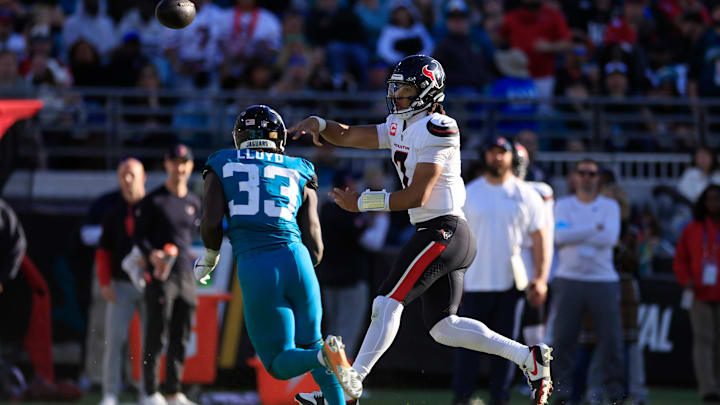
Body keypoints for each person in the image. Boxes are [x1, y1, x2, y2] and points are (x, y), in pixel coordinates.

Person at [291, 54, 553, 405]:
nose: (398, 95)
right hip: (441, 232)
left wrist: (362, 203)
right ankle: (528, 357)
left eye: (407, 89)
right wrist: (321, 124)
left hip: (443, 229)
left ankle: (351, 385)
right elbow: (352, 134)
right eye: (397, 88)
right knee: (444, 328)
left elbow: (418, 194)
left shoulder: (438, 127)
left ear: (428, 91)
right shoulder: (404, 124)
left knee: (386, 301)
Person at [191, 105, 358, 405]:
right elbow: (316, 247)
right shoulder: (300, 168)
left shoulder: (222, 162)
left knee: (278, 363)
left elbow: (212, 221)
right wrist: (302, 266)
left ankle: (326, 354)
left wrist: (211, 255)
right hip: (298, 259)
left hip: (257, 265)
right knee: (314, 344)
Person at [452, 136, 550, 405]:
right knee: (467, 348)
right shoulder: (469, 193)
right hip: (474, 282)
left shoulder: (527, 194)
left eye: (502, 153)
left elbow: (541, 239)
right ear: (485, 156)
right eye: (493, 152)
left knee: (508, 351)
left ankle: (500, 399)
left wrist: (540, 278)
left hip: (511, 285)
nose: (498, 158)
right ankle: (461, 399)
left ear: (511, 157)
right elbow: (457, 238)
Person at [550, 159, 626, 404]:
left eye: (591, 173)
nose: (586, 177)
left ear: (598, 178)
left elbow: (610, 238)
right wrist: (594, 228)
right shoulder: (562, 205)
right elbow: (559, 236)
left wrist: (577, 232)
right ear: (574, 177)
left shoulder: (610, 206)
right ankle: (561, 391)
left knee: (611, 339)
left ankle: (615, 392)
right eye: (581, 172)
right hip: (568, 279)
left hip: (603, 280)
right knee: (563, 339)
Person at [133, 144, 200, 405]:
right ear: (167, 164)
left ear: (190, 166)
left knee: (181, 335)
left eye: (184, 163)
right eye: (175, 162)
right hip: (161, 275)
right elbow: (139, 237)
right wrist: (152, 254)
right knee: (156, 333)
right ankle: (150, 392)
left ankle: (173, 391)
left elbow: (191, 236)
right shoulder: (154, 200)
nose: (180, 168)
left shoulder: (194, 202)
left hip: (185, 275)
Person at [96, 158, 147, 405]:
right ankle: (110, 393)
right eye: (123, 175)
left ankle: (148, 391)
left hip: (150, 285)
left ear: (142, 177)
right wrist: (105, 282)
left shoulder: (154, 207)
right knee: (114, 340)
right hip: (121, 286)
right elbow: (103, 251)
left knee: (152, 342)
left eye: (132, 175)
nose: (128, 180)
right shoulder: (112, 212)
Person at [674, 184, 720, 402]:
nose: (714, 203)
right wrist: (686, 281)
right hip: (699, 293)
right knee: (703, 340)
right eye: (709, 199)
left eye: (717, 199)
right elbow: (680, 259)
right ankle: (707, 388)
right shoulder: (692, 229)